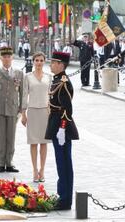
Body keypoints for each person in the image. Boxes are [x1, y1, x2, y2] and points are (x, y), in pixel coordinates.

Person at [45, 51, 79, 211]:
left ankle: (65, 200)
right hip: (55, 123)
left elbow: (67, 109)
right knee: (60, 163)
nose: (51, 64)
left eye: (53, 62)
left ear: (60, 64)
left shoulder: (63, 82)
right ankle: (62, 195)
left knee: (64, 163)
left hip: (61, 127)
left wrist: (62, 129)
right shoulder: (57, 80)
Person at [21, 52, 51, 183]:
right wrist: (23, 113)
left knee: (44, 142)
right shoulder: (27, 77)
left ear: (44, 62)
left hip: (45, 112)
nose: (39, 63)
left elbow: (51, 96)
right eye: (36, 60)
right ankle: (34, 170)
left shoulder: (49, 77)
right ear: (33, 62)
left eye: (41, 60)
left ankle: (42, 170)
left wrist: (52, 112)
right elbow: (24, 95)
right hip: (32, 111)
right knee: (33, 142)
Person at [0, 47, 23, 173]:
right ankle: (0, 162)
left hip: (13, 108)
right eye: (4, 57)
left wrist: (21, 108)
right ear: (1, 58)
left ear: (12, 58)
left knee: (11, 136)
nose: (6, 59)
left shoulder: (18, 73)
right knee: (0, 136)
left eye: (8, 57)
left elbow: (22, 92)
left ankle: (9, 162)